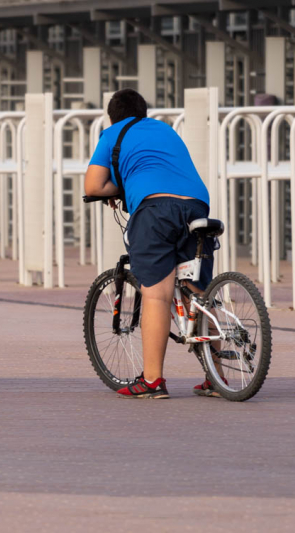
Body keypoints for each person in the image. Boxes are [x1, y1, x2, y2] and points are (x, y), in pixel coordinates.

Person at [84, 89, 216, 399]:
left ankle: (153, 380)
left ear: (112, 116)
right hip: (197, 205)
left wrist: (118, 190)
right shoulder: (164, 128)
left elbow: (93, 184)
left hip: (155, 209)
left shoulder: (113, 133)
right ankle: (217, 377)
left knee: (157, 294)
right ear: (144, 111)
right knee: (199, 293)